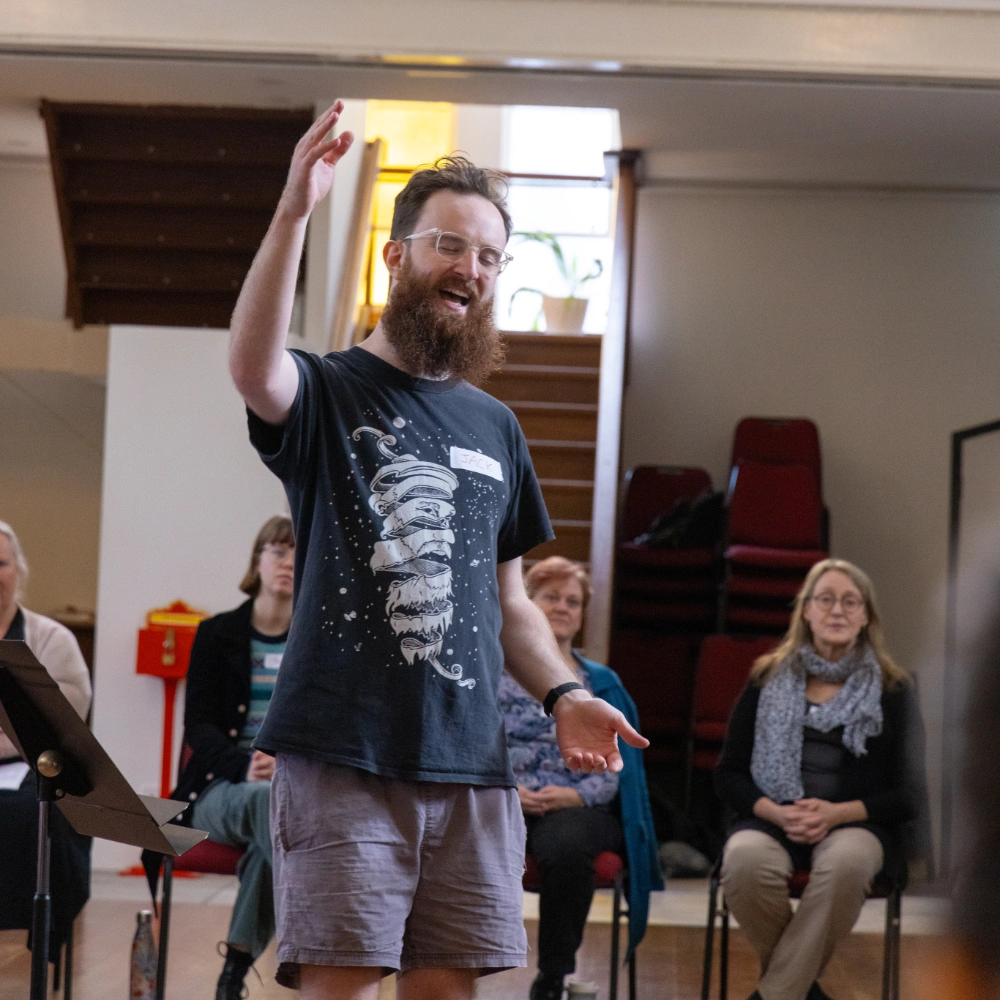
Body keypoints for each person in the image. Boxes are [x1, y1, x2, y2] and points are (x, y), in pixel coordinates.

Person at [227, 101, 647, 1000]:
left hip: (469, 762)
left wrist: (566, 694)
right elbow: (253, 368)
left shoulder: (496, 425)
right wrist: (295, 209)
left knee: (448, 991)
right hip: (344, 753)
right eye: (450, 246)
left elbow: (511, 603)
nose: (472, 270)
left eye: (491, 256)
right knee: (341, 983)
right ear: (397, 255)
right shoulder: (333, 392)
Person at [714, 557, 926, 1000]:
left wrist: (837, 813)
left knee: (846, 866)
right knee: (744, 862)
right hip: (773, 819)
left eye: (851, 602)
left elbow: (910, 795)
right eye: (825, 599)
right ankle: (800, 992)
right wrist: (777, 811)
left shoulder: (896, 689)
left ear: (866, 616)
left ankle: (772, 994)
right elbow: (729, 774)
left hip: (857, 824)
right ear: (805, 611)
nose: (837, 611)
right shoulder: (766, 678)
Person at [499, 556, 662, 1000]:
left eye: (574, 601)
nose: (564, 607)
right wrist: (511, 791)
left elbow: (617, 768)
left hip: (578, 806)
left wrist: (573, 794)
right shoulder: (491, 672)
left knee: (567, 847)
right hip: (500, 799)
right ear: (527, 602)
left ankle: (553, 976)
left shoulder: (601, 682)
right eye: (551, 597)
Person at [152, 515, 294, 1000]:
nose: (289, 562)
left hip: (294, 789)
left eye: (298, 553)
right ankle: (310, 947)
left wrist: (290, 766)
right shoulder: (218, 633)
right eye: (278, 551)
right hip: (220, 787)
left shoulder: (320, 640)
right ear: (258, 560)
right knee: (268, 806)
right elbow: (199, 727)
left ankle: (232, 973)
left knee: (268, 846)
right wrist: (244, 765)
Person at [0, 520, 93, 958]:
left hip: (32, 768)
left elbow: (62, 721)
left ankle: (40, 931)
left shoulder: (52, 638)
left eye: (0, 563)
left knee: (34, 815)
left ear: (19, 571)